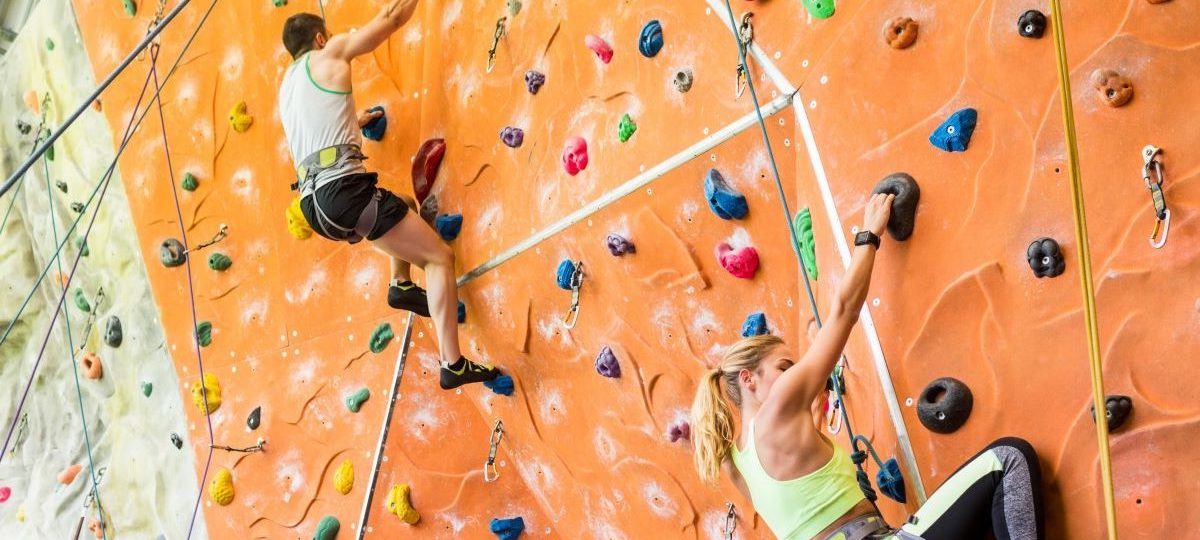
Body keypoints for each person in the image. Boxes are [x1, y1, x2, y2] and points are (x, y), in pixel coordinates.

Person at [691, 193, 1045, 540]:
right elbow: (844, 311)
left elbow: (807, 495)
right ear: (748, 378)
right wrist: (869, 235)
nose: (794, 375)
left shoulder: (736, 464)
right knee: (1008, 459)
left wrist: (816, 413)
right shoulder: (780, 406)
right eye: (784, 366)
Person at [277, 3, 499, 390]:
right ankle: (454, 364)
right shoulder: (329, 53)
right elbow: (390, 20)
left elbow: (318, 127)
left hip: (314, 205)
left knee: (403, 207)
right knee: (439, 258)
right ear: (319, 38)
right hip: (342, 192)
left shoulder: (288, 85)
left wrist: (355, 121)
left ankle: (400, 285)